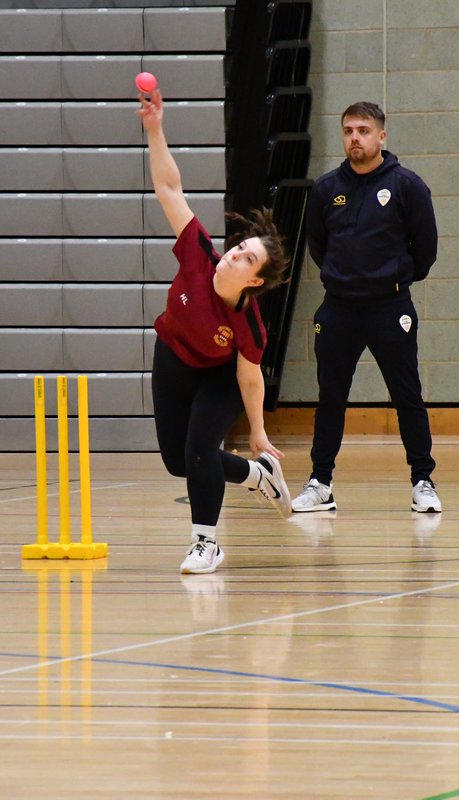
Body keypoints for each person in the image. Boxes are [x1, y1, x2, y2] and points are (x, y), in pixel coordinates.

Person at [138, 87, 294, 574]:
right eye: (241, 246)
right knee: (178, 462)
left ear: (255, 280)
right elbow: (169, 190)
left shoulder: (248, 323)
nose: (236, 253)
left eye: (248, 257)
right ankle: (255, 477)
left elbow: (250, 379)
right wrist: (155, 128)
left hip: (218, 378)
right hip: (172, 359)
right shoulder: (197, 252)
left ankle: (206, 543)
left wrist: (260, 432)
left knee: (202, 449)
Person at [292, 101, 442, 515]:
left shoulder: (407, 186)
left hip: (390, 307)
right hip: (339, 309)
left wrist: (391, 277)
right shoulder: (325, 190)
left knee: (407, 395)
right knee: (331, 398)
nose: (354, 138)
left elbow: (425, 249)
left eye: (363, 130)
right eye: (347, 131)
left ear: (381, 136)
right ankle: (321, 482)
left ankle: (422, 480)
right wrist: (345, 278)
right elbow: (318, 248)